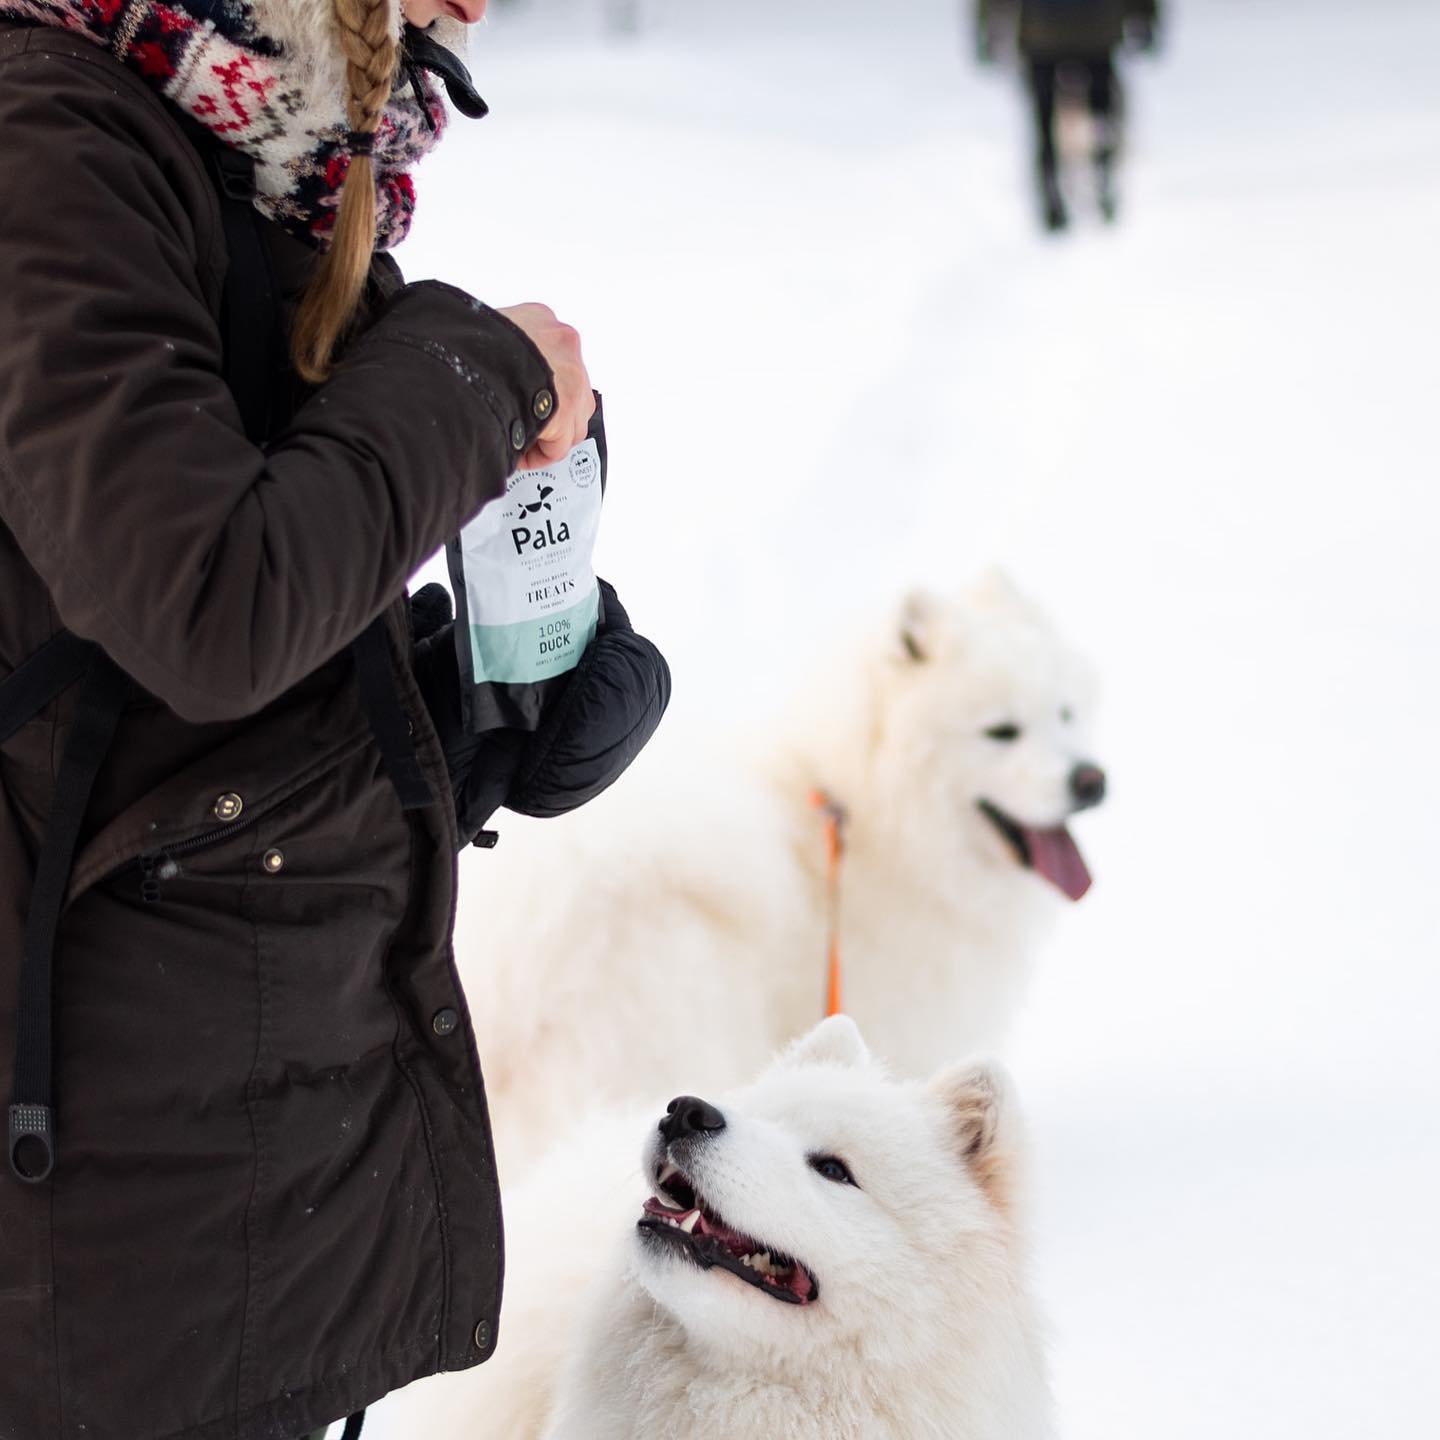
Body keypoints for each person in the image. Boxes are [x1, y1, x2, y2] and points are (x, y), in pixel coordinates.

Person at [0, 1, 667, 1437]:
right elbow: (205, 602)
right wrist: (465, 375)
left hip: (228, 1191)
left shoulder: (249, 154)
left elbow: (143, 689)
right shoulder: (48, 140)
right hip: (95, 1240)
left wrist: (463, 706)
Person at [977, 0, 1160, 230]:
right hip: (1098, 28)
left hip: (1042, 32)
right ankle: (1102, 167)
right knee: (1101, 104)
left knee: (1044, 118)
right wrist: (1146, 16)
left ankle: (1051, 184)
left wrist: (987, 27)